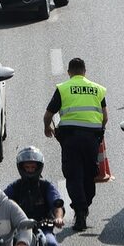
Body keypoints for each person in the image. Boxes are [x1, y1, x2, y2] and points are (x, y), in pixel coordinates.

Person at [43, 57, 107, 232]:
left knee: (73, 175)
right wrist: (99, 133)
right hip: (91, 138)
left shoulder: (63, 88)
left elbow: (48, 114)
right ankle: (84, 206)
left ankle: (80, 210)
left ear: (69, 72)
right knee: (89, 174)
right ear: (85, 71)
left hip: (70, 139)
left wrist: (47, 127)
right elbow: (105, 117)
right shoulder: (97, 89)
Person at [3, 146, 66, 246]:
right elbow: (1, 203)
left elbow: (57, 204)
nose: (30, 170)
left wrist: (58, 218)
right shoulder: (14, 187)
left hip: (42, 228)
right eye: (27, 167)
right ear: (21, 168)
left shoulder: (46, 186)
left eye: (33, 167)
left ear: (39, 168)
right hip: (19, 230)